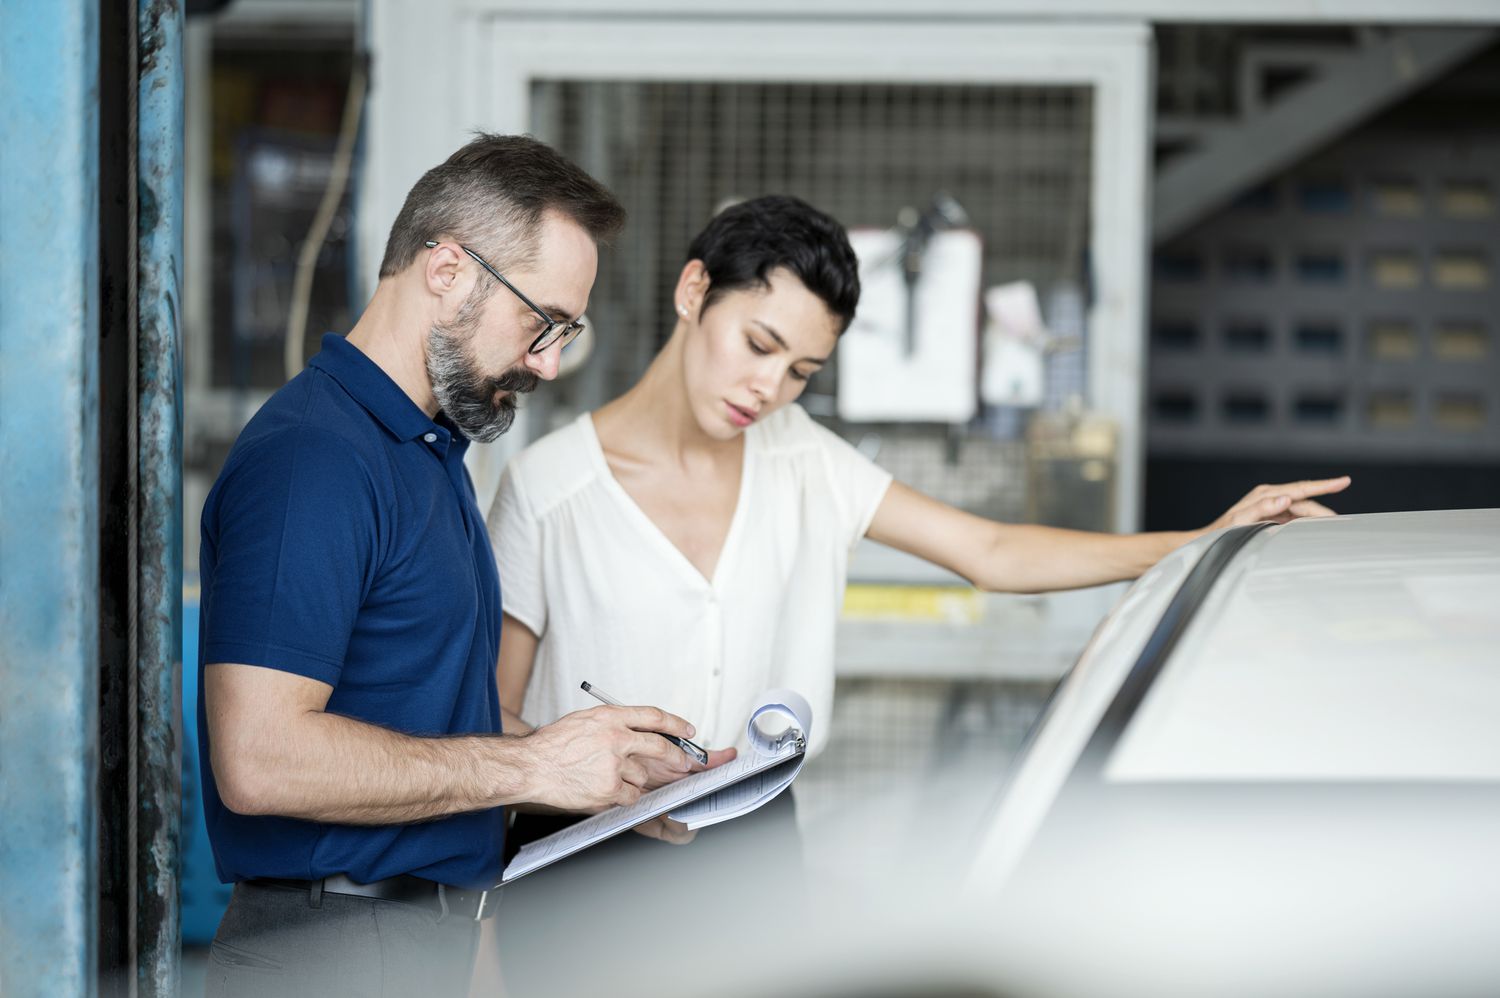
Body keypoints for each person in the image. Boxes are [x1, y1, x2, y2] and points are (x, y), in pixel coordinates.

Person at [487, 193, 1351, 760]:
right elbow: (494, 722)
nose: (770, 387)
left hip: (749, 850)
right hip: (579, 861)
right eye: (758, 345)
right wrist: (597, 779)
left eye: (801, 371)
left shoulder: (804, 459)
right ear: (692, 291)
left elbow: (994, 550)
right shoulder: (548, 489)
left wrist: (1205, 542)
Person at [196, 134, 707, 998]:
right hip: (331, 951)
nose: (547, 362)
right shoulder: (314, 459)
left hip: (411, 943)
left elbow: (416, 723)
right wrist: (533, 769)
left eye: (566, 333)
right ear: (447, 269)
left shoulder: (426, 455)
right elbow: (262, 758)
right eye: (541, 323)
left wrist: (598, 766)